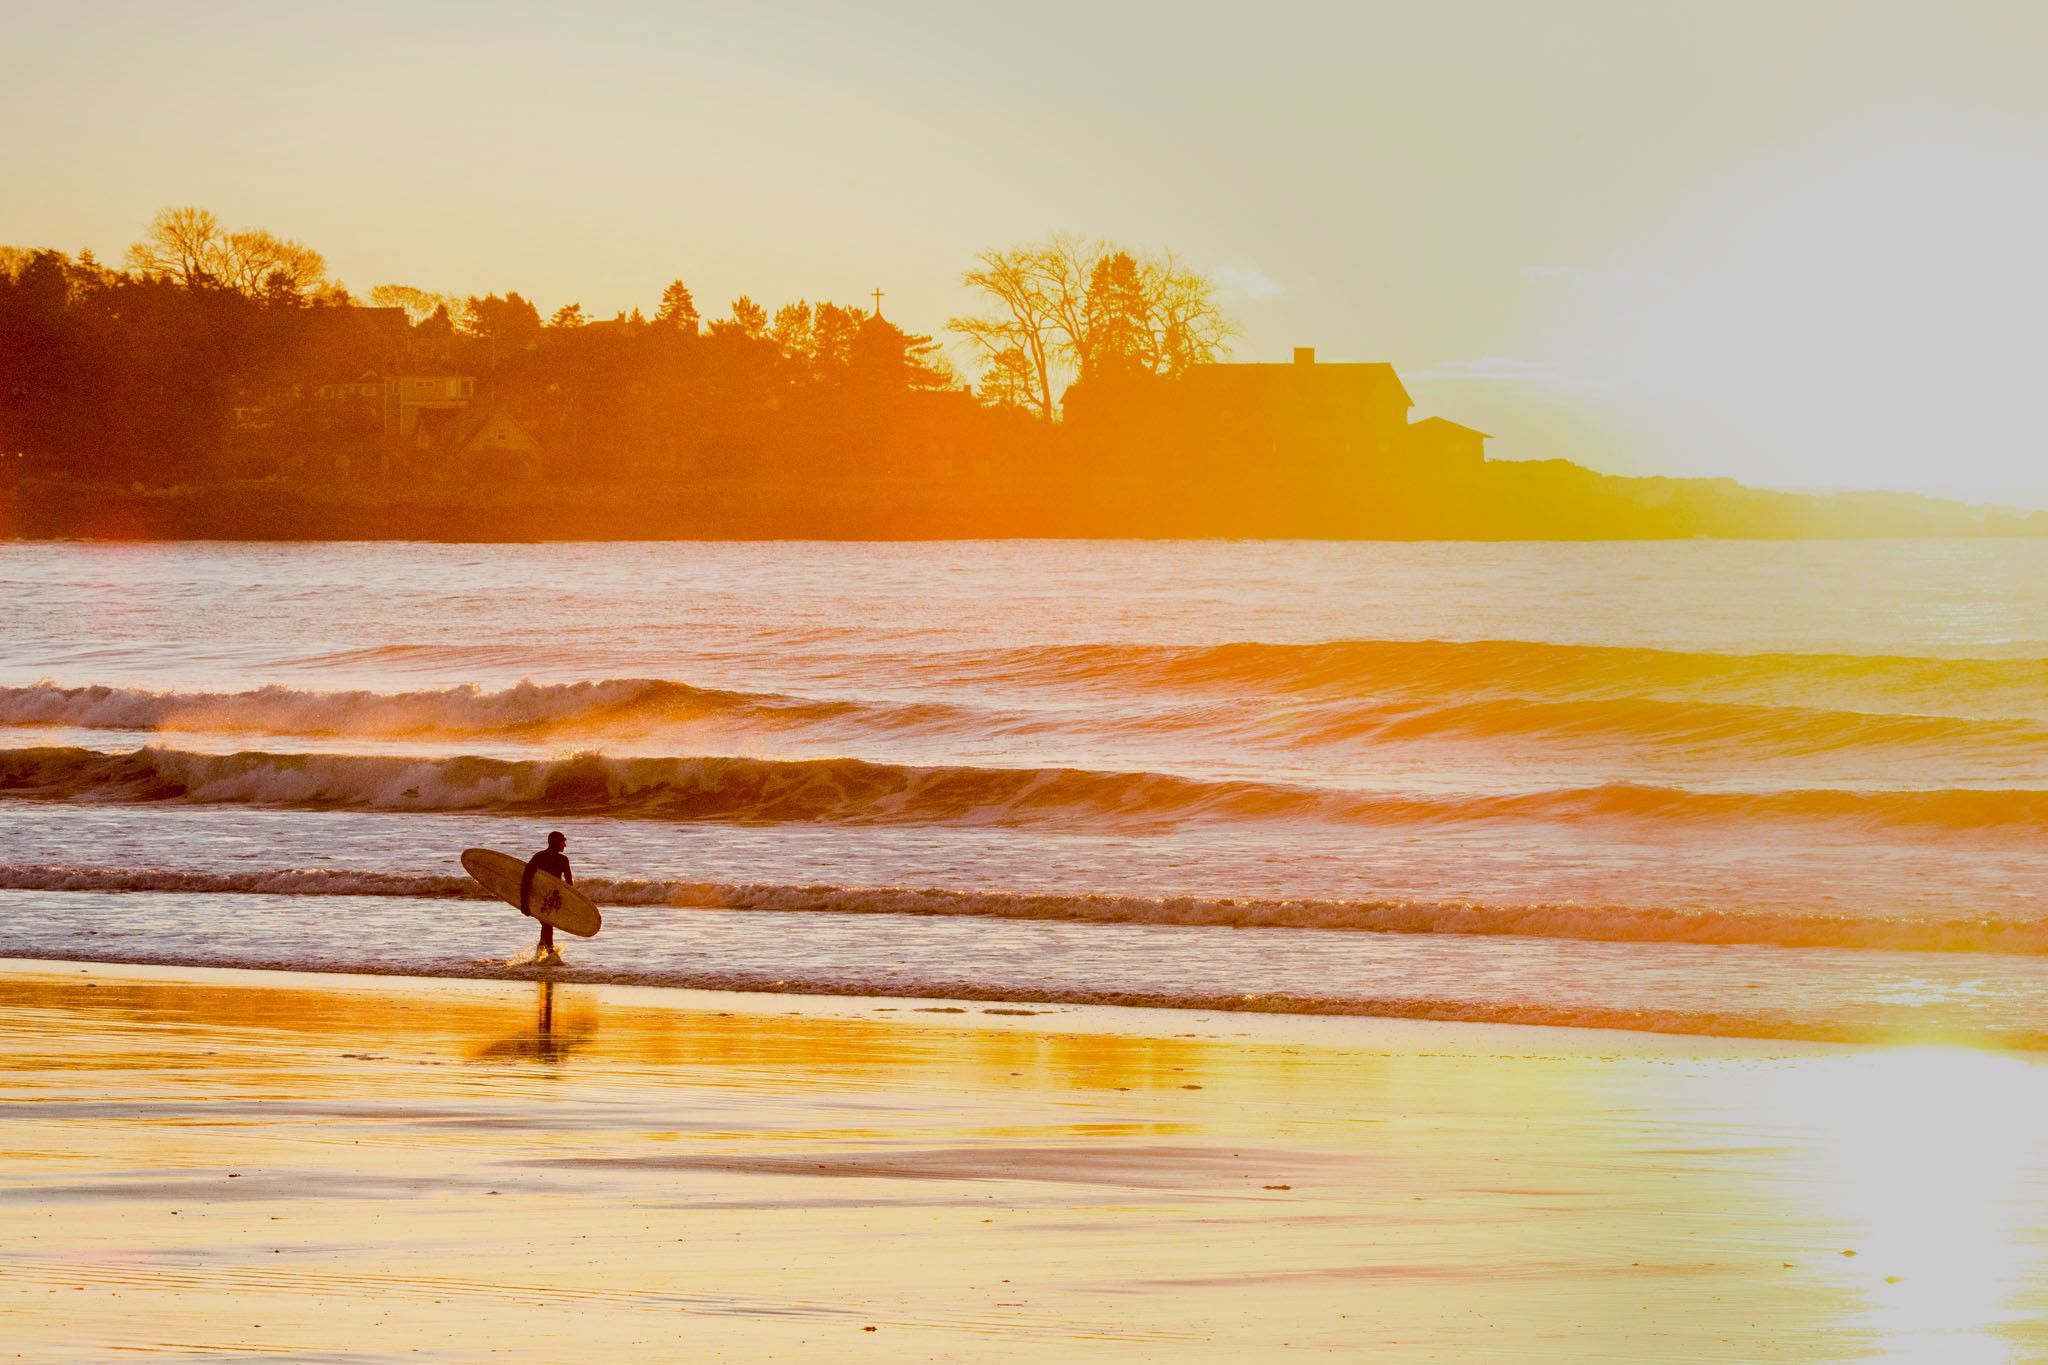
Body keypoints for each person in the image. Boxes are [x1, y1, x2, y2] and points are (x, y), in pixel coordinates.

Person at [519, 831, 573, 966]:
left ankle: (539, 958)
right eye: (563, 842)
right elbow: (526, 879)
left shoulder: (543, 857)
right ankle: (550, 955)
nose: (565, 845)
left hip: (552, 900)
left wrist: (569, 906)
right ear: (556, 842)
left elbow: (569, 887)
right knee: (547, 925)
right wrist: (524, 903)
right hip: (539, 898)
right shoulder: (542, 857)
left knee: (547, 926)